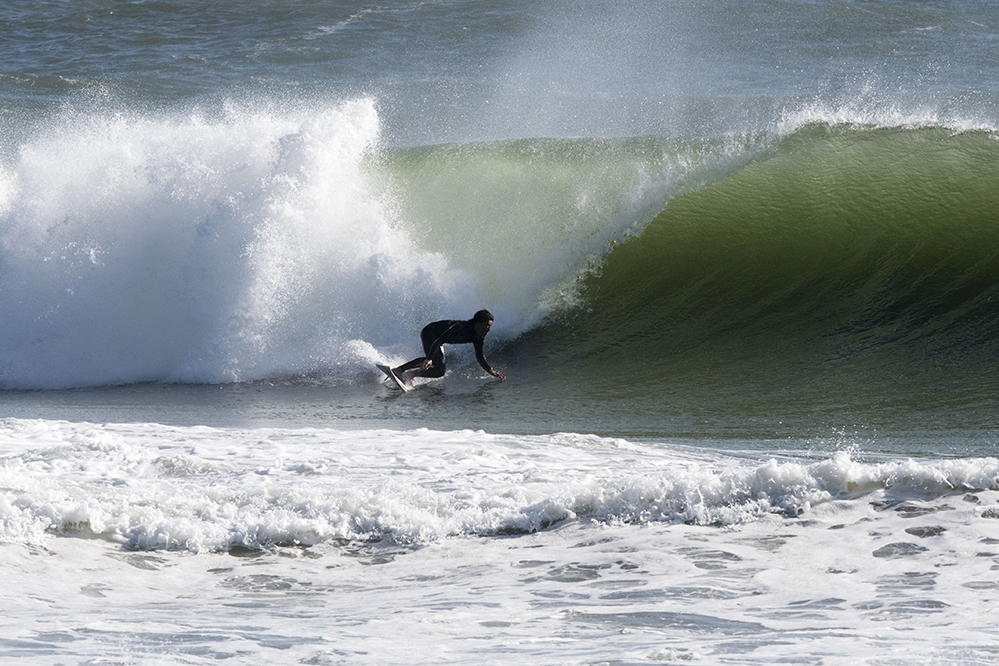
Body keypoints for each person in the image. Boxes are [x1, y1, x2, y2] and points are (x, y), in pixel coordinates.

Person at [393, 309, 506, 383]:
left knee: (440, 371)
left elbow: (480, 356)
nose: (489, 330)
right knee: (433, 360)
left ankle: (412, 373)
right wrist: (429, 358)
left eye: (490, 327)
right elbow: (439, 339)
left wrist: (490, 371)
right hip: (430, 333)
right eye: (487, 326)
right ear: (478, 323)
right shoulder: (460, 326)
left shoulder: (478, 338)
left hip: (439, 341)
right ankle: (399, 370)